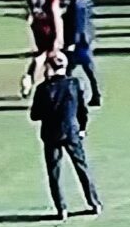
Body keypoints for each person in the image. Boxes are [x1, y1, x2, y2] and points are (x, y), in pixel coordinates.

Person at [30, 53, 100, 218]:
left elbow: (35, 115)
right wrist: (82, 128)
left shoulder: (43, 88)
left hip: (51, 134)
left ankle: (61, 208)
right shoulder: (74, 84)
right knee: (82, 168)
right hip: (71, 131)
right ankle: (93, 202)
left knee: (54, 173)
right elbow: (82, 110)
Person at [20, 0, 64, 95]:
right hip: (48, 24)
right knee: (51, 53)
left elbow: (29, 0)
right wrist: (59, 32)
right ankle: (48, 82)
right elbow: (54, 10)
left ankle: (30, 78)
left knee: (41, 53)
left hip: (36, 23)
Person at [62, 0, 102, 106]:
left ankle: (66, 96)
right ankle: (96, 94)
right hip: (86, 39)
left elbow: (78, 24)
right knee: (88, 69)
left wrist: (72, 42)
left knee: (66, 70)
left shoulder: (77, 3)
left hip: (78, 41)